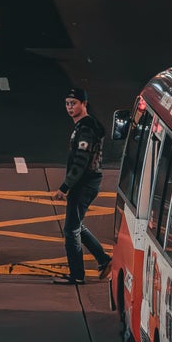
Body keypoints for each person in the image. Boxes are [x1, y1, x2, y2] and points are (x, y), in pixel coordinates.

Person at [55, 88, 110, 285]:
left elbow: (81, 161)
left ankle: (77, 275)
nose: (70, 107)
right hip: (87, 182)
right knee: (76, 226)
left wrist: (64, 187)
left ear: (84, 104)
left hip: (84, 183)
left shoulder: (86, 128)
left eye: (74, 103)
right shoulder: (84, 125)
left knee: (71, 230)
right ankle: (104, 260)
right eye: (67, 103)